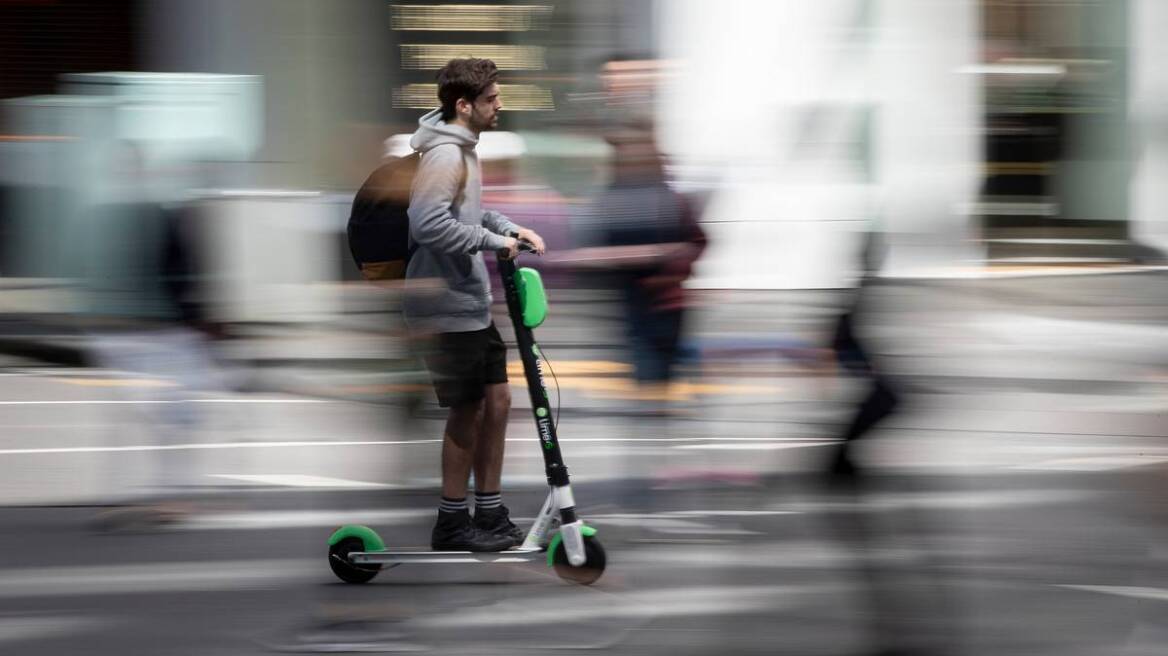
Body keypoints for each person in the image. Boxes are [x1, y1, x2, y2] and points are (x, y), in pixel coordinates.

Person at [405, 58, 546, 552]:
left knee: (498, 402)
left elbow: (467, 211)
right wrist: (490, 242)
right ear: (463, 105)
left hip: (469, 302)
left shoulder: (465, 151)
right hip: (442, 305)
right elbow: (426, 224)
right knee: (467, 411)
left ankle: (487, 510)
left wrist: (509, 228)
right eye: (491, 99)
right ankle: (451, 520)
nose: (499, 105)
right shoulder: (444, 155)